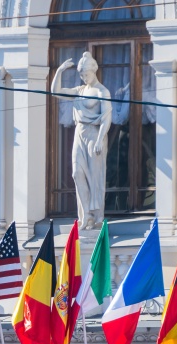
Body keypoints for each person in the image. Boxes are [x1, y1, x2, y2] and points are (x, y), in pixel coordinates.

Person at [51, 51, 112, 229]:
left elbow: (106, 117)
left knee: (95, 176)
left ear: (94, 71)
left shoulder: (102, 91)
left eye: (87, 74)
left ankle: (97, 215)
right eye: (82, 75)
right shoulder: (79, 91)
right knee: (77, 173)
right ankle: (86, 215)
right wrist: (59, 71)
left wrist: (101, 139)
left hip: (95, 134)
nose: (84, 77)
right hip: (80, 133)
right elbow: (56, 92)